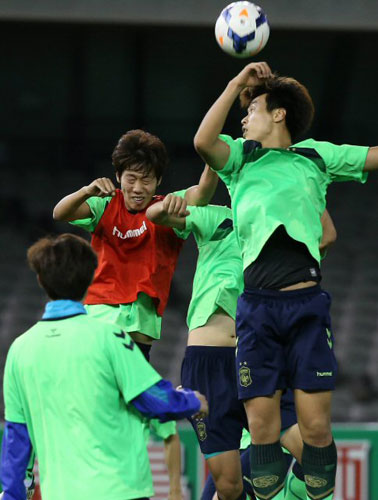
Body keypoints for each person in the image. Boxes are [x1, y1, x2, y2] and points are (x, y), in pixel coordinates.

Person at [192, 61, 377, 500]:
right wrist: (238, 82)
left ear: (278, 114)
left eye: (252, 108)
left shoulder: (315, 156)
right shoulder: (240, 160)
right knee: (262, 434)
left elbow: (372, 156)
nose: (243, 118)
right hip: (255, 309)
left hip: (306, 306)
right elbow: (203, 141)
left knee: (315, 432)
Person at [53, 129, 217, 498]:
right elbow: (60, 212)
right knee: (97, 414)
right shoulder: (103, 205)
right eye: (131, 177)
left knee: (128, 419)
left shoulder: (167, 208)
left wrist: (216, 158)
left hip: (140, 328)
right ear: (118, 178)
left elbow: (202, 194)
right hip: (99, 321)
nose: (137, 186)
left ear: (158, 181)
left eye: (146, 178)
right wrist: (86, 191)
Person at [147, 190, 336, 500]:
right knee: (230, 487)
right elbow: (157, 216)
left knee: (312, 453)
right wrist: (169, 203)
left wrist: (305, 186)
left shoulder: (286, 230)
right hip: (208, 360)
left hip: (259, 353)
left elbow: (326, 237)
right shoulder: (216, 216)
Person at [0, 233, 208, 500]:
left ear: (41, 280)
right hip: (119, 491)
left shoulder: (21, 349)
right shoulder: (110, 337)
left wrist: (13, 494)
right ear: (91, 279)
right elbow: (151, 398)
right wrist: (190, 401)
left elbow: (17, 436)